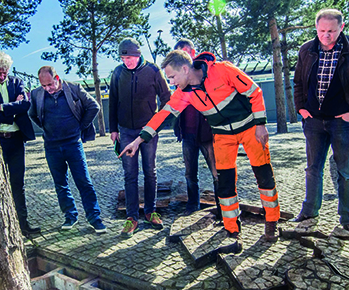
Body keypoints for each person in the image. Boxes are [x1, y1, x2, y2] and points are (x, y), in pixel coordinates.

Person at [120, 50, 281, 241]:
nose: (171, 82)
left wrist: (260, 125)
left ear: (185, 69)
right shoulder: (184, 94)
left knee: (264, 176)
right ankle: (232, 228)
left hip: (250, 129)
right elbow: (162, 115)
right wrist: (138, 141)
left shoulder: (222, 70)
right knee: (225, 183)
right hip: (221, 135)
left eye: (172, 77)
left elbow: (255, 92)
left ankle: (271, 221)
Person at [292, 8, 349, 233]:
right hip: (314, 121)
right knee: (313, 168)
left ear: (341, 27)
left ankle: (347, 218)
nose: (326, 35)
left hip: (343, 122)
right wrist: (301, 109)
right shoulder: (307, 50)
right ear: (316, 28)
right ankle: (309, 211)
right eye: (322, 31)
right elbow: (297, 83)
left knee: (345, 171)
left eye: (331, 31)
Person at [29, 66, 106, 233]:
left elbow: (94, 106)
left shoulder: (74, 88)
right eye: (43, 86)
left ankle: (95, 218)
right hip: (51, 146)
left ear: (57, 78)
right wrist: (45, 127)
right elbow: (32, 114)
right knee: (60, 184)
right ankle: (70, 216)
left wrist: (81, 126)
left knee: (84, 182)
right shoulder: (36, 94)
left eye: (50, 84)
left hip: (73, 144)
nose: (47, 89)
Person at [109, 37, 171, 237]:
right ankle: (132, 217)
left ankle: (151, 211)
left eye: (131, 57)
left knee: (150, 171)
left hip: (148, 130)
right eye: (124, 57)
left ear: (139, 54)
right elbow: (112, 101)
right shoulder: (117, 73)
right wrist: (113, 129)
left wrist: (156, 124)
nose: (128, 61)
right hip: (126, 130)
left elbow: (166, 98)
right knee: (130, 174)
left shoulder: (153, 71)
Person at [0, 51, 39, 236]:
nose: (1, 76)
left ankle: (22, 225)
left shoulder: (16, 82)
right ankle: (0, 227)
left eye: (4, 72)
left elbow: (25, 105)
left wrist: (2, 107)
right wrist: (12, 109)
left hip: (16, 140)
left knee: (18, 183)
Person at [173, 39, 218, 216]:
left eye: (184, 52)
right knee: (190, 174)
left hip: (207, 133)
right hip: (188, 134)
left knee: (217, 172)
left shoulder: (204, 72)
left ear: (192, 51)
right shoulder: (180, 79)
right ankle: (193, 205)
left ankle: (223, 206)